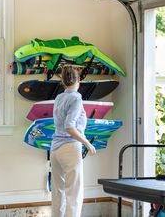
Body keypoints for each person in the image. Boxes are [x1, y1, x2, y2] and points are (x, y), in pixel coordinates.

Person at [51, 66, 96, 217]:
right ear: (78, 80)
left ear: (63, 81)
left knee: (58, 192)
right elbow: (70, 127)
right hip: (70, 147)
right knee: (74, 193)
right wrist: (87, 143)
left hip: (55, 149)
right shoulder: (76, 98)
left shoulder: (59, 98)